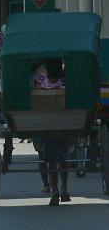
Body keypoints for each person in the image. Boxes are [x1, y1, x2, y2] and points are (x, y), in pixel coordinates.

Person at [32, 58, 70, 205]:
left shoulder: (40, 83)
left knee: (51, 161)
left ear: (46, 70)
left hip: (46, 125)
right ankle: (65, 188)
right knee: (63, 160)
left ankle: (54, 191)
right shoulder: (66, 84)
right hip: (65, 124)